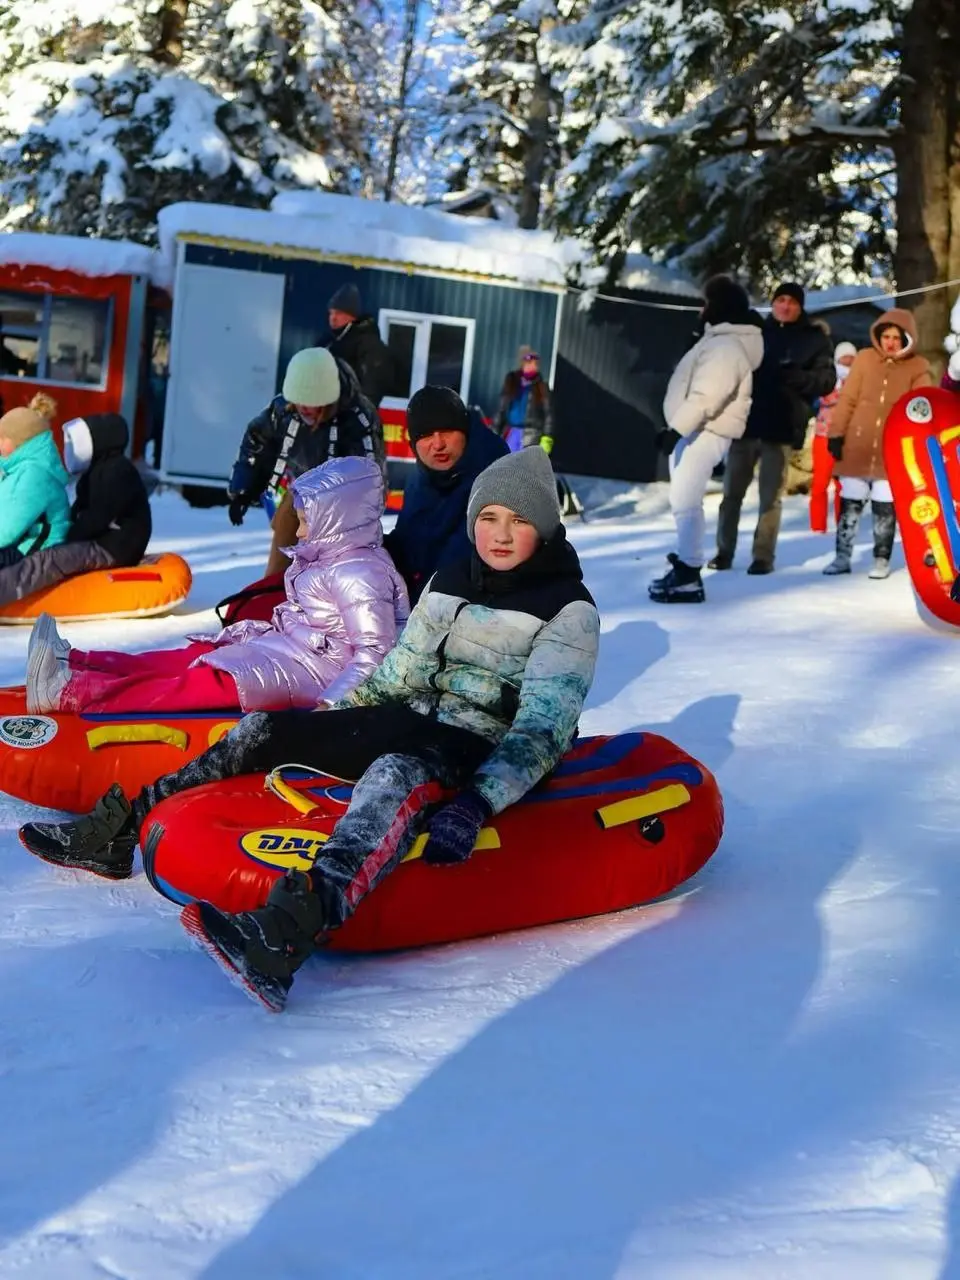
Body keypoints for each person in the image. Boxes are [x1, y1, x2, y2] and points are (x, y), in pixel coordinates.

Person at [20, 447, 600, 1012]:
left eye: (519, 521)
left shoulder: (565, 608)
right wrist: (324, 722)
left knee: (392, 775)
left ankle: (284, 935)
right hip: (416, 715)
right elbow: (397, 676)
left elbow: (542, 731)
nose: (499, 534)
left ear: (544, 531)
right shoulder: (452, 580)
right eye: (489, 517)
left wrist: (477, 801)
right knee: (263, 730)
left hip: (483, 741)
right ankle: (119, 830)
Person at [25, 458, 409, 716]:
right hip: (289, 652)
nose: (300, 529)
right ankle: (76, 662)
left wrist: (331, 708)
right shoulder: (330, 557)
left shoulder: (361, 572)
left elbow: (375, 651)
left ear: (338, 520)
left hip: (314, 675)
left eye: (308, 520)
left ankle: (71, 691)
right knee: (187, 657)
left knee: (197, 681)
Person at [648, 276, 763, 604]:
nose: (702, 309)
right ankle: (687, 565)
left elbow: (707, 394)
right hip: (696, 429)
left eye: (707, 303)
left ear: (719, 308)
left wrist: (677, 430)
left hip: (704, 430)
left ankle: (689, 573)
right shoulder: (718, 340)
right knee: (682, 500)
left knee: (686, 501)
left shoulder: (726, 346)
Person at [226, 347, 386, 578]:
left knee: (321, 578)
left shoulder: (358, 418)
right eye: (299, 402)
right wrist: (243, 490)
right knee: (282, 564)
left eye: (311, 404)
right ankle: (271, 594)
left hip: (339, 512)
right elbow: (257, 441)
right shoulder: (283, 409)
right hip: (294, 500)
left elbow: (370, 477)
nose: (304, 409)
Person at [710, 282, 834, 574]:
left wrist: (797, 377)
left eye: (792, 301)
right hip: (746, 425)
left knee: (770, 498)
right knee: (731, 494)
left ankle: (763, 556)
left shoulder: (814, 339)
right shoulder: (755, 333)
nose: (785, 306)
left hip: (782, 427)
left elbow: (826, 381)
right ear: (773, 303)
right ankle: (723, 551)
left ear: (800, 306)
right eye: (781, 300)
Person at [0, 413, 151, 609]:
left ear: (99, 440)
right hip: (100, 541)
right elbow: (82, 510)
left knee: (51, 559)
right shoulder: (96, 470)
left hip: (114, 546)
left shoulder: (118, 471)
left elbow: (99, 516)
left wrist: (69, 537)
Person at [824, 309, 933, 578]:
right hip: (857, 444)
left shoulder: (918, 367)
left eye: (897, 337)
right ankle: (842, 556)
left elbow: (921, 407)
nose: (891, 342)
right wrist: (836, 434)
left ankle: (881, 559)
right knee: (850, 502)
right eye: (886, 336)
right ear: (878, 336)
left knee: (885, 506)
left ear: (907, 338)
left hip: (891, 449)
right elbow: (847, 399)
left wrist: (917, 445)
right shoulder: (864, 360)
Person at [385, 385, 508, 603]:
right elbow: (408, 546)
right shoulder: (420, 478)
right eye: (426, 435)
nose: (438, 444)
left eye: (447, 431)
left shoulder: (496, 476)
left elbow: (461, 566)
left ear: (465, 432)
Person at [0, 393, 70, 569]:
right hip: (21, 542)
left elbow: (8, 529)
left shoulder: (35, 474)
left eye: (1, 438)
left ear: (18, 442)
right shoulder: (18, 469)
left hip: (38, 549)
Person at [809, 341, 856, 534]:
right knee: (820, 483)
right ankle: (817, 526)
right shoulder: (828, 378)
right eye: (844, 357)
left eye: (851, 357)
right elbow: (820, 399)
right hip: (824, 435)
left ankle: (842, 524)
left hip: (848, 438)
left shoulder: (859, 380)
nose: (848, 360)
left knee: (843, 485)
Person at [324, 283, 394, 407]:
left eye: (339, 313)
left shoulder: (369, 344)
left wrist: (359, 413)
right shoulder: (328, 342)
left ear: (352, 316)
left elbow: (373, 386)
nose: (333, 318)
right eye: (331, 313)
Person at [494, 346, 555, 453]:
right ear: (523, 364)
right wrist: (494, 431)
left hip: (532, 434)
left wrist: (547, 438)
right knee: (508, 463)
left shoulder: (542, 387)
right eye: (530, 363)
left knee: (524, 465)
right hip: (512, 432)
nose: (533, 366)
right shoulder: (512, 383)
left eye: (536, 364)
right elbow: (501, 410)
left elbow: (548, 414)